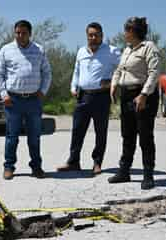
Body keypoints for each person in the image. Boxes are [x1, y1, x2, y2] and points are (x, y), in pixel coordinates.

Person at [57, 23, 120, 176]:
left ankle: (97, 162)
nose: (93, 38)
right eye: (90, 35)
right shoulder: (81, 52)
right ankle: (73, 161)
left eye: (96, 35)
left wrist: (112, 82)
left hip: (101, 97)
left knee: (100, 131)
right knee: (77, 130)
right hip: (83, 96)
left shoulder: (112, 51)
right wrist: (73, 86)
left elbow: (124, 68)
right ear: (87, 35)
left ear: (102, 35)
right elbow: (77, 71)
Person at [0, 20, 52, 180]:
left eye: (23, 33)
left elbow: (47, 73)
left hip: (33, 100)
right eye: (17, 32)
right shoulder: (6, 50)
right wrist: (4, 94)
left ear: (29, 34)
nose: (20, 35)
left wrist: (42, 91)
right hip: (13, 101)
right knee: (12, 137)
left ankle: (36, 167)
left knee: (34, 137)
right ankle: (9, 167)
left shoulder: (39, 50)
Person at [108, 17, 161, 190]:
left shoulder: (149, 48)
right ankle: (124, 171)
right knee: (127, 135)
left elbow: (154, 73)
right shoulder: (127, 49)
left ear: (134, 31)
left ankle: (148, 175)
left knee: (145, 136)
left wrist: (144, 94)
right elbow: (119, 69)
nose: (124, 33)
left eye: (127, 30)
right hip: (127, 95)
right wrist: (114, 84)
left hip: (143, 96)